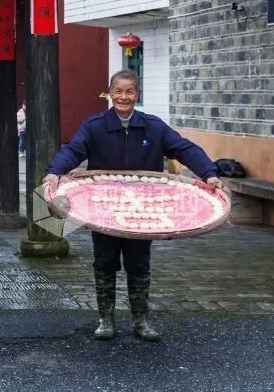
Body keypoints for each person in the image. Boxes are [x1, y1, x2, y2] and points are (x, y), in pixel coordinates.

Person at [43, 69, 222, 343]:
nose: (123, 97)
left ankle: (141, 321)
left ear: (137, 95)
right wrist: (54, 172)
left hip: (143, 211)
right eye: (118, 91)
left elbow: (185, 149)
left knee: (139, 263)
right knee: (104, 262)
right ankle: (105, 320)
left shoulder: (153, 127)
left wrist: (209, 173)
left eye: (129, 91)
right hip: (103, 208)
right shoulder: (94, 126)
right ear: (110, 93)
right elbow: (73, 151)